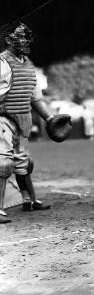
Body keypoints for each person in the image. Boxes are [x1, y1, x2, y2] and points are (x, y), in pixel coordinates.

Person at [0, 23, 57, 223]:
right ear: (8, 40)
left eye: (26, 38)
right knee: (4, 164)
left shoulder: (28, 65)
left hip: (23, 118)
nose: (25, 42)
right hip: (3, 119)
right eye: (20, 38)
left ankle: (29, 200)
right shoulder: (2, 63)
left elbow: (35, 99)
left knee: (24, 164)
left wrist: (49, 118)